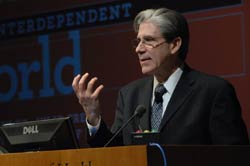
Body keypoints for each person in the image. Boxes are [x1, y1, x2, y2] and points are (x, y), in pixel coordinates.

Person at [72, 8, 249, 147]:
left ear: (174, 45)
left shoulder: (213, 91)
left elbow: (235, 154)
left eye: (148, 40)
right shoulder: (129, 94)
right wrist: (93, 117)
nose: (139, 49)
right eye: (138, 41)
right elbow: (115, 151)